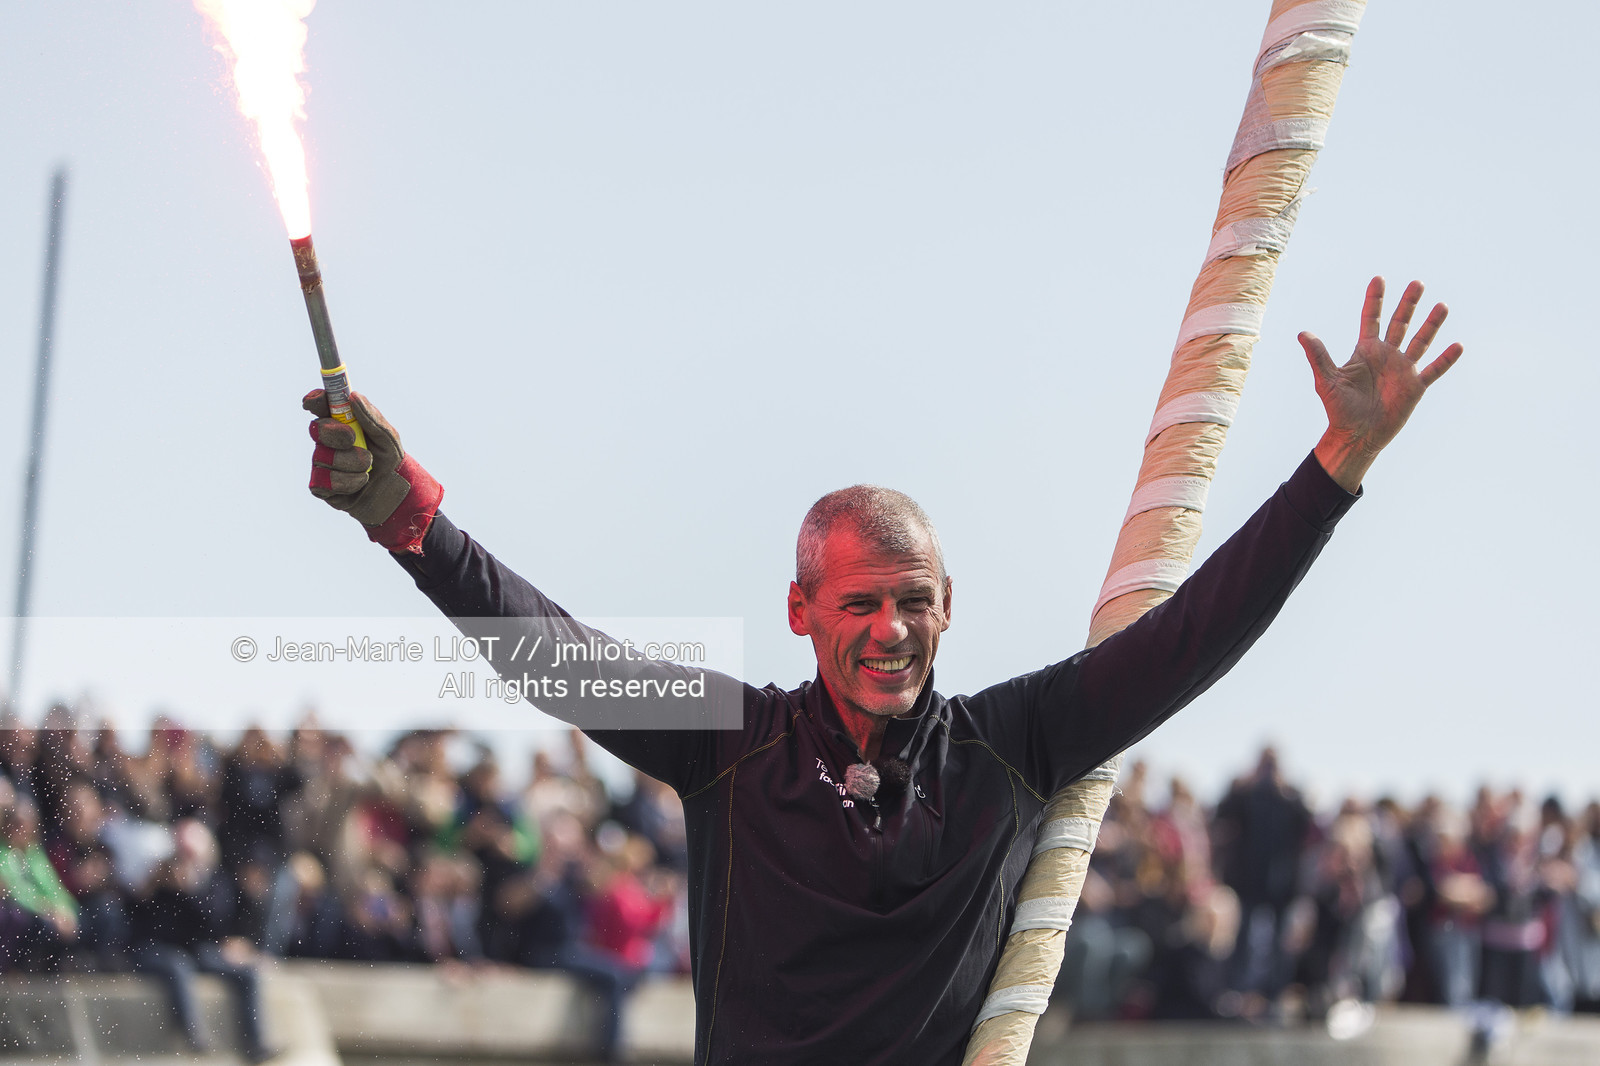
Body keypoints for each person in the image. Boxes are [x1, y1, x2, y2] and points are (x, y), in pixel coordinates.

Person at [301, 278, 1462, 1063]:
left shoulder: (1015, 745)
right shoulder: (728, 744)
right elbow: (556, 656)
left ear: (949, 607)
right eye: (859, 601)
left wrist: (1337, 461)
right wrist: (404, 513)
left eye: (914, 601)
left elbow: (1195, 631)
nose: (890, 629)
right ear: (802, 610)